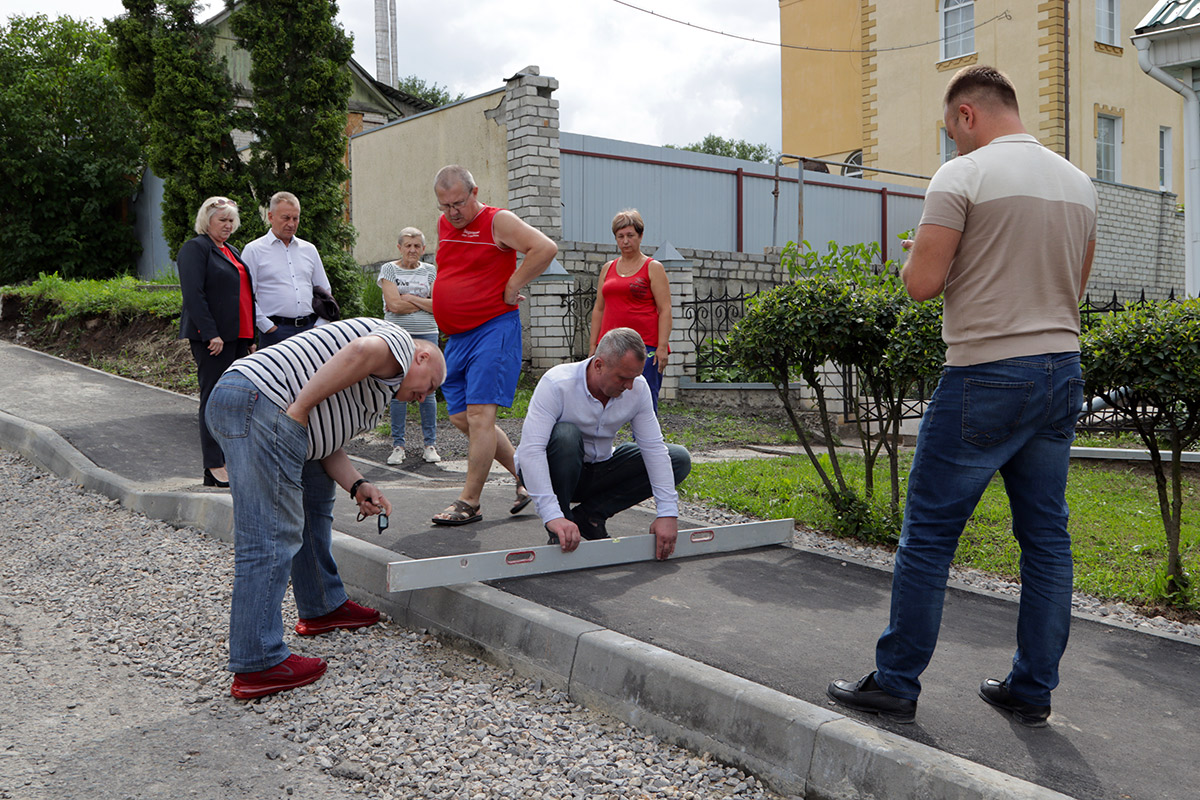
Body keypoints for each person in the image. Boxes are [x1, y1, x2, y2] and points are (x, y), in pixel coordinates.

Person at [827, 65, 1097, 727]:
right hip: (1061, 369)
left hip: (984, 373)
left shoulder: (962, 176)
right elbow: (1076, 289)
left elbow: (921, 285)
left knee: (927, 537)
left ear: (968, 115)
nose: (953, 146)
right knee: (1046, 540)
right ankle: (1031, 689)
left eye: (952, 132)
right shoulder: (1079, 184)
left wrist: (918, 252)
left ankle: (896, 682)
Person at [205, 317, 446, 699]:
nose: (423, 398)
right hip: (264, 404)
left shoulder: (378, 387)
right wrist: (299, 408)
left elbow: (324, 440)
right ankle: (259, 663)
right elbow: (360, 352)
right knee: (269, 535)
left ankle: (322, 605)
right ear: (420, 358)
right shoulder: (396, 344)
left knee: (315, 499)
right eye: (429, 385)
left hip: (256, 402)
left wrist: (357, 483)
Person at [428, 164, 558, 526]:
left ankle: (469, 502)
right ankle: (526, 477)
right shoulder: (445, 225)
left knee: (480, 416)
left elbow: (544, 248)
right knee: (459, 416)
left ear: (474, 192)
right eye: (445, 206)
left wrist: (514, 284)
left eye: (458, 203)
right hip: (457, 336)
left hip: (492, 329)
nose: (453, 212)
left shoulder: (496, 220)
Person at [514, 327, 692, 560]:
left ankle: (590, 517)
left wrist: (668, 514)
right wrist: (552, 515)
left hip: (599, 468)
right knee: (566, 435)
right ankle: (563, 525)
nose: (629, 386)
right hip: (558, 469)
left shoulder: (637, 389)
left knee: (678, 459)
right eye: (623, 378)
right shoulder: (557, 384)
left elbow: (654, 449)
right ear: (598, 365)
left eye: (635, 377)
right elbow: (531, 451)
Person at [178, 196, 256, 489]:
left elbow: (244, 297)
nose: (227, 225)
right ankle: (213, 466)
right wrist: (211, 333)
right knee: (213, 398)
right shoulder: (195, 249)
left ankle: (230, 460)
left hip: (237, 338)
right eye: (222, 219)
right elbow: (194, 295)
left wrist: (249, 338)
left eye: (231, 220)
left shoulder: (232, 251)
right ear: (206, 220)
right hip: (214, 340)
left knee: (234, 399)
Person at [588, 209, 672, 411]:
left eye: (630, 235)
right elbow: (599, 308)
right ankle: (602, 441)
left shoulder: (653, 267)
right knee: (602, 397)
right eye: (620, 236)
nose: (625, 241)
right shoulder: (608, 268)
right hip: (610, 347)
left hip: (645, 346)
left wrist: (662, 347)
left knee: (645, 400)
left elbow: (665, 309)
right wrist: (593, 346)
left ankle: (645, 443)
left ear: (640, 236)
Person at [378, 227, 441, 465]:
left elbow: (438, 306)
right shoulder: (389, 269)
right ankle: (398, 445)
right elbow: (393, 305)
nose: (412, 250)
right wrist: (423, 302)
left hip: (427, 334)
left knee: (428, 389)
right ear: (399, 248)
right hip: (397, 335)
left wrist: (410, 298)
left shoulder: (431, 271)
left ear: (423, 249)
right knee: (398, 389)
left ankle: (430, 444)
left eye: (417, 246)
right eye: (408, 245)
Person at [241, 191, 332, 349]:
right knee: (275, 374)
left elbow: (324, 289)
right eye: (286, 218)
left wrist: (321, 324)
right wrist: (266, 326)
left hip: (311, 330)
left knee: (313, 374)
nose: (291, 223)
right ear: (271, 217)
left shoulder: (309, 250)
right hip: (276, 332)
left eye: (295, 218)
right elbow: (245, 295)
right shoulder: (254, 250)